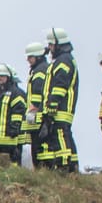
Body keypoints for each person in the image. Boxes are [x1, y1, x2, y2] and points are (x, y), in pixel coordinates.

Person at [40, 29, 81, 172]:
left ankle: (64, 166)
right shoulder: (63, 59)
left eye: (51, 45)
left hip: (61, 108)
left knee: (60, 134)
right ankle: (72, 165)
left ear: (58, 44)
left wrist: (52, 104)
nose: (49, 48)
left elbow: (60, 85)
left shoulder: (64, 60)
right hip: (61, 108)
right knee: (65, 135)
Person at [0, 64, 29, 165]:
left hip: (9, 138)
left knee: (12, 164)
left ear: (8, 77)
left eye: (2, 76)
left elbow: (18, 112)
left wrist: (14, 129)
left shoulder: (16, 93)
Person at [24, 41, 52, 169]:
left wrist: (33, 109)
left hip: (38, 116)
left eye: (30, 57)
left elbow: (38, 93)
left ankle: (42, 170)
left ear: (38, 56)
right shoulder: (38, 69)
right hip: (37, 116)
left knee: (38, 147)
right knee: (36, 147)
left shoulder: (40, 70)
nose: (28, 60)